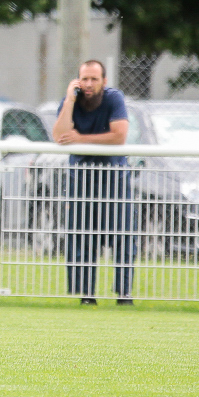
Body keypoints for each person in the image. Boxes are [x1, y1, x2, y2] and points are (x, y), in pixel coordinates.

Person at [51, 59, 133, 305]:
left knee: (122, 235)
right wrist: (69, 100)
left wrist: (80, 139)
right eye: (84, 79)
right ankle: (86, 295)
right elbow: (59, 136)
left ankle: (124, 295)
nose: (88, 84)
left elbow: (119, 137)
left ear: (104, 81)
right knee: (82, 235)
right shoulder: (70, 101)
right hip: (80, 177)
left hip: (114, 177)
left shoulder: (114, 98)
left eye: (94, 79)